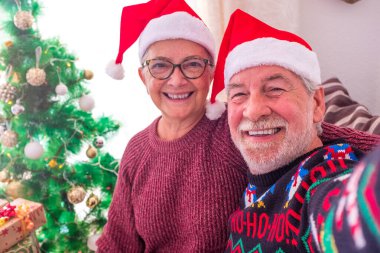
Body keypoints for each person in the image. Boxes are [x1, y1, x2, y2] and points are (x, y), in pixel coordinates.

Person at [96, 1, 380, 252]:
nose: (177, 79)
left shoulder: (234, 130)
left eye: (192, 65)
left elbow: (313, 140)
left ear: (209, 75)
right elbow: (118, 242)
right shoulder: (136, 150)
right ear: (142, 76)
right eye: (160, 66)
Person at [209, 9, 380, 252]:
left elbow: (347, 215)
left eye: (275, 89)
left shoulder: (323, 175)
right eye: (239, 94)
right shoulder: (245, 190)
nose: (254, 110)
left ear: (317, 104)